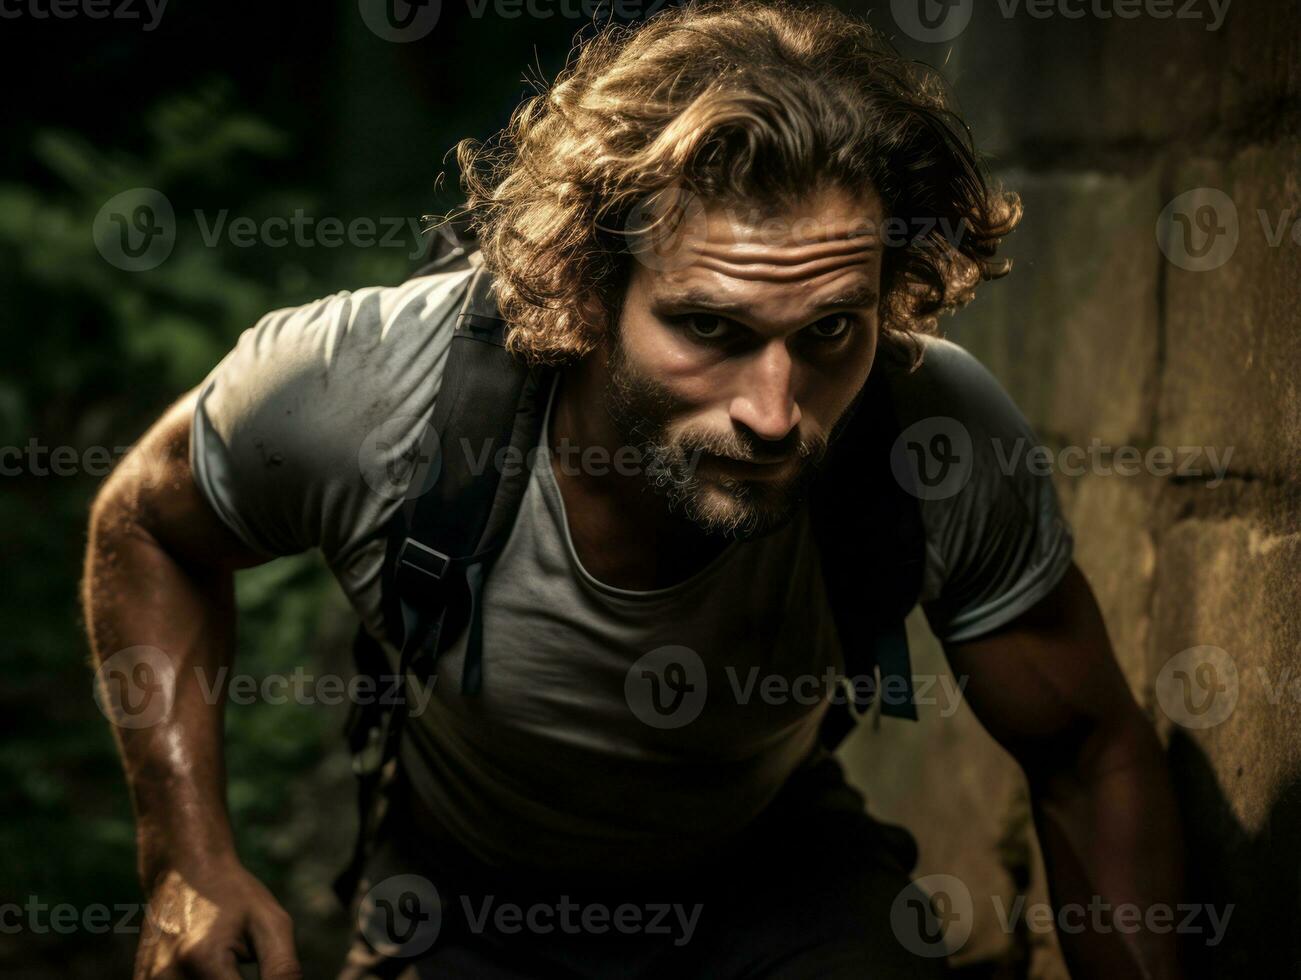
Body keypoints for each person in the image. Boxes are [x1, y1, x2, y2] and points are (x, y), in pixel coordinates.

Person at [82, 2, 1186, 977]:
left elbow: (1087, 749)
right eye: (708, 326)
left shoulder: (929, 435)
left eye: (829, 331)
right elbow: (147, 524)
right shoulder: (367, 386)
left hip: (775, 881)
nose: (771, 408)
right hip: (461, 897)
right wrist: (188, 857)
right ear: (584, 286)